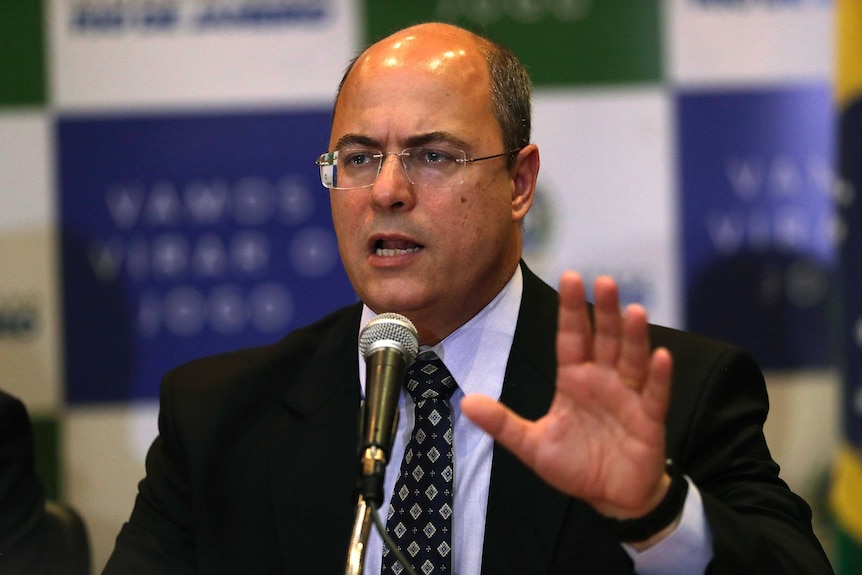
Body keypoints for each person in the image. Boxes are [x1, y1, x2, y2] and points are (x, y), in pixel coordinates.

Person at [102, 22, 833, 575]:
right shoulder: (219, 416)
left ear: (519, 183)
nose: (387, 190)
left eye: (433, 154)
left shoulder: (671, 393)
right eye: (358, 158)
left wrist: (656, 513)